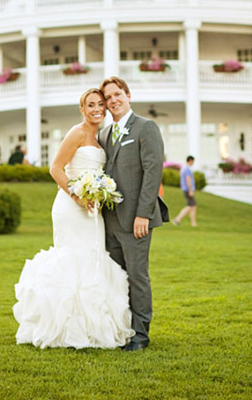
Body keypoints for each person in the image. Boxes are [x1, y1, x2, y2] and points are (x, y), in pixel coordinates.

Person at [13, 88, 134, 349]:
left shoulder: (101, 136)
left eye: (100, 104)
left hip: (93, 210)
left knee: (93, 259)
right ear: (82, 109)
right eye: (91, 105)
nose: (97, 109)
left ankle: (92, 328)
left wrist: (99, 193)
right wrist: (77, 195)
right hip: (71, 207)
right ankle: (65, 329)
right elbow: (55, 168)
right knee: (71, 260)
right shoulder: (77, 132)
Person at [98, 76, 168, 352]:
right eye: (108, 98)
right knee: (117, 277)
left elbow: (153, 172)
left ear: (128, 95)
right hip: (109, 220)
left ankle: (140, 335)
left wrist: (143, 215)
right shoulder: (103, 134)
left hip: (136, 219)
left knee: (137, 276)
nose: (113, 101)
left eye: (118, 94)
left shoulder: (145, 128)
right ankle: (122, 329)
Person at [172, 156, 197, 227]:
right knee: (190, 206)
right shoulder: (187, 169)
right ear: (190, 161)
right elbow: (188, 180)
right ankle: (177, 219)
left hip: (185, 189)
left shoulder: (183, 169)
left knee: (193, 206)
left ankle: (193, 223)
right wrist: (191, 190)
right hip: (188, 190)